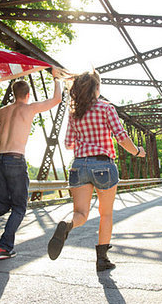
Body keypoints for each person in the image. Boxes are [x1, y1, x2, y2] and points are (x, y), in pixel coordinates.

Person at [47, 71, 146, 272]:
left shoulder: (74, 113)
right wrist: (137, 151)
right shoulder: (106, 108)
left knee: (81, 214)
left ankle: (67, 224)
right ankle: (102, 260)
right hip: (104, 166)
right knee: (106, 214)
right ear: (97, 89)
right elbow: (121, 137)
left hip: (79, 165)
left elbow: (67, 144)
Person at [0, 69, 63, 260]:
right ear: (27, 95)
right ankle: (3, 247)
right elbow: (56, 100)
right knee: (19, 207)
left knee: (2, 204)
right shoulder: (29, 108)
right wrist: (57, 79)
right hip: (15, 160)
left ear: (13, 93)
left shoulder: (2, 111)